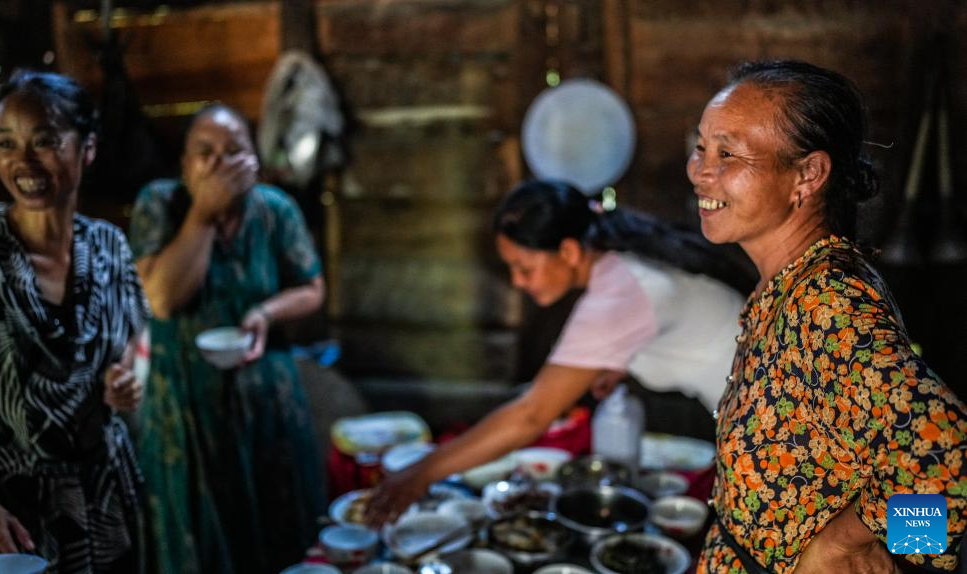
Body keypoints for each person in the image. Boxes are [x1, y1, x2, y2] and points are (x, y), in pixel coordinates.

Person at [688, 59, 967, 574]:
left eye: (729, 153)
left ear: (808, 174)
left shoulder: (830, 304)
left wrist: (851, 545)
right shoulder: (791, 281)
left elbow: (952, 475)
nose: (701, 170)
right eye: (702, 147)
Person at [366, 179, 748, 525]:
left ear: (567, 251)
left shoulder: (619, 294)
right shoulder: (621, 263)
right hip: (754, 409)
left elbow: (532, 414)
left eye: (524, 267)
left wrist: (419, 474)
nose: (517, 282)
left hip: (766, 424)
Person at [0, 70, 149, 572]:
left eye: (45, 141)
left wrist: (129, 378)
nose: (23, 161)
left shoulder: (109, 246)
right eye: (6, 143)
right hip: (2, 518)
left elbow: (135, 343)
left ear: (88, 148)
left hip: (105, 506)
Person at [128, 103, 326, 573]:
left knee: (279, 541)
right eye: (206, 153)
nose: (220, 163)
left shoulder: (274, 210)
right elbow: (162, 299)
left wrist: (265, 312)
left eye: (234, 150)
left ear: (254, 159)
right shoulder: (161, 204)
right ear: (184, 164)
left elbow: (312, 288)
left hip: (268, 408)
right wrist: (203, 214)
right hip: (185, 412)